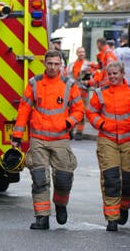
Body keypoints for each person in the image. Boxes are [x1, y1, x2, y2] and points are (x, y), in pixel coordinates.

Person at [12, 50, 84, 230]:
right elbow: (24, 111)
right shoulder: (34, 83)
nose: (52, 67)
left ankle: (61, 204)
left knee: (63, 179)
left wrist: (69, 122)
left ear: (61, 65)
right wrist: (17, 137)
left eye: (56, 64)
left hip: (60, 138)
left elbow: (79, 111)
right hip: (38, 139)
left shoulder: (69, 84)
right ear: (44, 63)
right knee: (39, 179)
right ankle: (42, 217)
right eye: (49, 63)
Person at [86, 61, 130, 232]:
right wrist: (101, 124)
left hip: (129, 141)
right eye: (110, 74)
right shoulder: (100, 93)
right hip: (107, 140)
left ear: (122, 74)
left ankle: (124, 208)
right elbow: (91, 112)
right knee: (111, 179)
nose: (113, 76)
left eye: (116, 73)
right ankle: (112, 219)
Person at [66, 46, 90, 140]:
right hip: (73, 91)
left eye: (83, 52)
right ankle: (71, 130)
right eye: (79, 52)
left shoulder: (88, 64)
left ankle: (79, 132)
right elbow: (68, 77)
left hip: (83, 91)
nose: (81, 54)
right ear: (76, 53)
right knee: (71, 111)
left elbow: (89, 78)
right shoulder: (71, 65)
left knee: (82, 112)